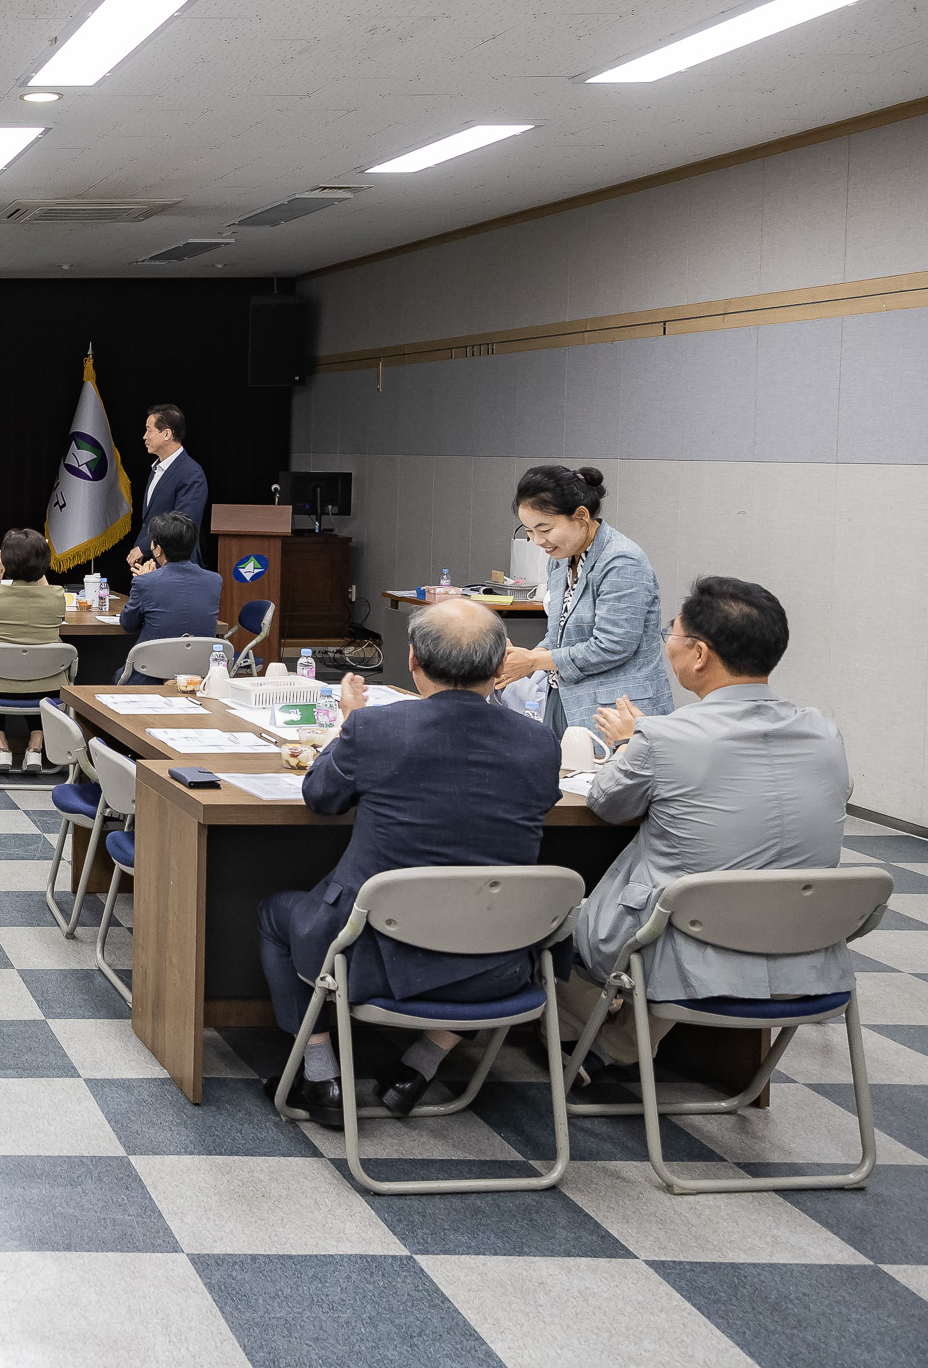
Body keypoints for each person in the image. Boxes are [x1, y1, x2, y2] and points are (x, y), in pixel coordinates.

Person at [258, 599, 560, 1126]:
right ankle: (420, 1066)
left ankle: (321, 1075)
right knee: (479, 910)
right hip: (500, 966)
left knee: (273, 913)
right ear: (499, 668)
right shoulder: (540, 742)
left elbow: (321, 798)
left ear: (413, 659)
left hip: (365, 961)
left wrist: (349, 724)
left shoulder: (375, 729)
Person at [555, 577, 851, 1089]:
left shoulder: (665, 737)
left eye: (670, 634)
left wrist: (631, 746)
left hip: (687, 949)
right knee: (709, 894)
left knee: (550, 916)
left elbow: (605, 803)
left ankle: (578, 1039)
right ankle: (615, 1045)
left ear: (698, 654)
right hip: (805, 949)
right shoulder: (825, 732)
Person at [494, 465, 672, 731]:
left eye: (545, 529)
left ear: (580, 516)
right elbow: (559, 635)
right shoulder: (561, 557)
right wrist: (523, 658)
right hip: (565, 697)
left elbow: (612, 646)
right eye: (529, 531)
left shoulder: (622, 560)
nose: (538, 541)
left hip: (617, 708)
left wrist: (533, 662)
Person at [0, 527, 68, 774]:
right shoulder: (57, 597)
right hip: (45, 686)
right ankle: (35, 750)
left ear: (5, 561)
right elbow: (48, 593)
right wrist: (40, 566)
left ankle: (2, 748)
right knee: (38, 682)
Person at [117, 511, 223, 683]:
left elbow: (128, 623)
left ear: (158, 550)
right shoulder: (214, 580)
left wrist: (142, 580)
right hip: (198, 675)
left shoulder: (145, 582)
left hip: (150, 674)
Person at [127, 404, 208, 574]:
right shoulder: (157, 469)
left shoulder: (191, 473)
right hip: (152, 566)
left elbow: (183, 525)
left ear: (167, 434)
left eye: (149, 430)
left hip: (178, 569)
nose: (144, 436)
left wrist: (143, 547)